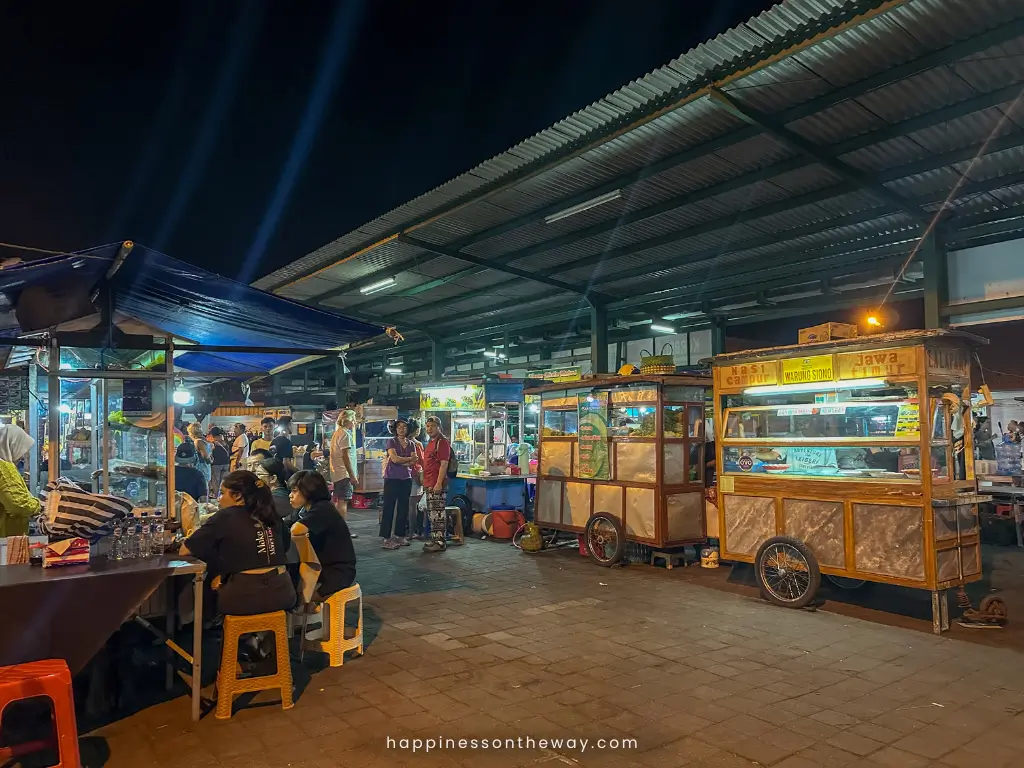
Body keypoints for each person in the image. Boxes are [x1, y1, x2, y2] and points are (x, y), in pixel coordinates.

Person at [180, 470, 295, 616]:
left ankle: (207, 633)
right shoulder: (271, 515)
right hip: (283, 594)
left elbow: (185, 550)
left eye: (222, 493)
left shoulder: (225, 516)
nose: (219, 499)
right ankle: (257, 637)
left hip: (245, 599)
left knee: (205, 586)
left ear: (238, 496)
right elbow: (282, 548)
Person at [287, 470, 356, 600]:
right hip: (323, 567)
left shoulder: (323, 509)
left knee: (295, 594)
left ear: (310, 491)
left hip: (337, 572)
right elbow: (283, 523)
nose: (290, 495)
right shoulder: (302, 511)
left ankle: (307, 608)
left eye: (295, 491)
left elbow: (296, 530)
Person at [380, 417, 417, 550]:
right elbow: (394, 459)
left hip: (406, 478)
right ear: (395, 429)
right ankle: (386, 538)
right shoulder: (392, 441)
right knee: (389, 507)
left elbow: (415, 461)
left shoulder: (412, 443)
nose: (402, 429)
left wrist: (405, 461)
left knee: (403, 508)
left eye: (404, 427)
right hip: (391, 478)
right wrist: (407, 460)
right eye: (399, 427)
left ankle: (399, 535)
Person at [0, 424, 40, 537]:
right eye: (22, 449)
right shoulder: (4, 468)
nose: (23, 456)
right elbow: (18, 505)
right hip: (6, 539)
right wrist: (38, 505)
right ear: (12, 445)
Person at [421, 416, 452, 553]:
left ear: (439, 427)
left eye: (432, 426)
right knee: (432, 514)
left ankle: (440, 542)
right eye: (427, 426)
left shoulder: (442, 442)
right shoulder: (431, 442)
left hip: (436, 484)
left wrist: (439, 483)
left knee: (438, 513)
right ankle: (435, 539)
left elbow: (444, 463)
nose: (429, 429)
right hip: (429, 483)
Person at [329, 409, 358, 537]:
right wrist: (352, 475)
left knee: (339, 501)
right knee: (342, 502)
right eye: (354, 419)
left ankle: (336, 528)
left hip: (337, 473)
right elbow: (345, 456)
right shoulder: (345, 434)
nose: (355, 422)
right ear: (348, 420)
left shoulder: (337, 433)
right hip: (344, 474)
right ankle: (342, 531)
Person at [187, 422, 212, 495]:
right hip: (206, 468)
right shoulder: (204, 440)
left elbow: (205, 456)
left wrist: (210, 461)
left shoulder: (198, 442)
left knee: (202, 488)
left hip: (201, 467)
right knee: (205, 487)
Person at [208, 427, 230, 497]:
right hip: (226, 463)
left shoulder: (213, 443)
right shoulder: (224, 441)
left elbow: (210, 454)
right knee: (223, 481)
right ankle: (223, 495)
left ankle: (217, 496)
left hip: (216, 464)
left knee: (216, 482)